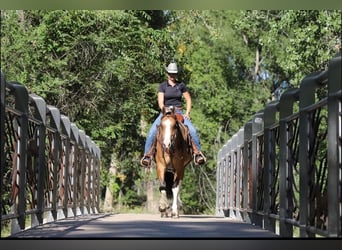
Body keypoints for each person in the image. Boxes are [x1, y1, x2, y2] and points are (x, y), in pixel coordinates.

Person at [140, 61, 206, 167]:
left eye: (174, 73)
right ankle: (147, 155)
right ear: (167, 73)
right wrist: (164, 110)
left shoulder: (181, 85)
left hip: (178, 112)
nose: (172, 75)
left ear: (176, 74)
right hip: (165, 112)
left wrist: (187, 113)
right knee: (152, 131)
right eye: (170, 73)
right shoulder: (162, 86)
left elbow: (188, 99)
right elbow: (160, 102)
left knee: (192, 130)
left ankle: (197, 154)